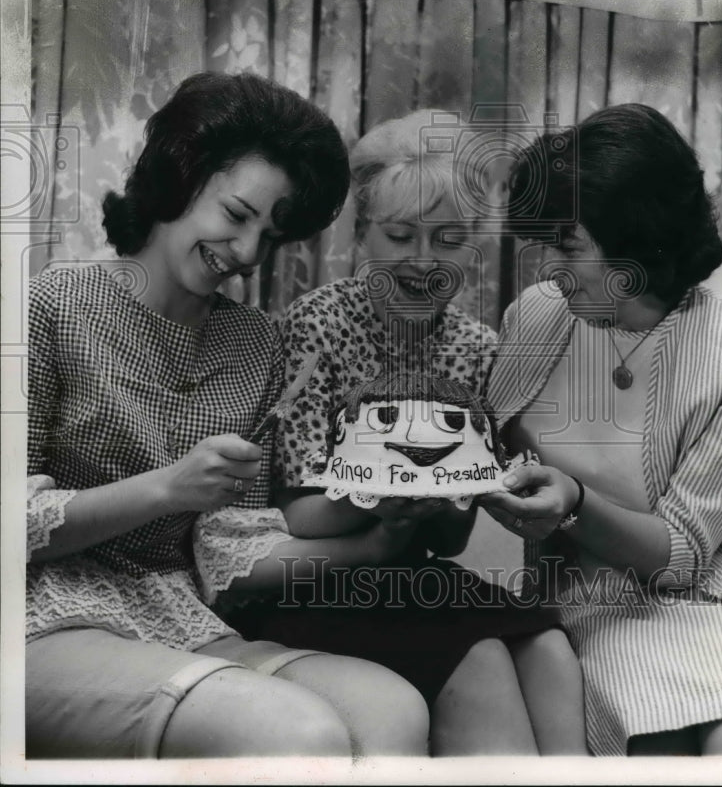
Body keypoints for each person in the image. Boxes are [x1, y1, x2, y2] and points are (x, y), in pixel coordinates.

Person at [25, 72, 431, 759]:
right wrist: (165, 489)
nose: (245, 255)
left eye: (270, 238)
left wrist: (377, 540)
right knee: (298, 734)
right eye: (238, 214)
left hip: (182, 621)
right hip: (39, 621)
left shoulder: (256, 344)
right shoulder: (51, 306)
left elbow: (229, 549)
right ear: (179, 175)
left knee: (391, 709)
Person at [223, 109, 588, 756]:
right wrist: (379, 498)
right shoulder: (316, 327)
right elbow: (298, 513)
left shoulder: (477, 348)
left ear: (473, 245)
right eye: (399, 235)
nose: (423, 261)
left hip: (412, 570)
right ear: (363, 234)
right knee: (479, 662)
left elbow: (448, 539)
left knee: (548, 647)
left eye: (448, 239)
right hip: (318, 580)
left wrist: (459, 497)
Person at [483, 103, 722, 757]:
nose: (549, 267)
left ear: (636, 242)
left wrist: (572, 502)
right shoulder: (538, 317)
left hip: (717, 594)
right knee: (654, 733)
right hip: (589, 595)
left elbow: (683, 552)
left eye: (568, 247)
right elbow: (487, 444)